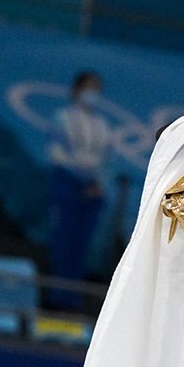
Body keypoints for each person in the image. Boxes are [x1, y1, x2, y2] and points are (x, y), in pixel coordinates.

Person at [44, 70, 113, 312]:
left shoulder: (103, 126)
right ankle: (57, 298)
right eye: (88, 87)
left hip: (92, 191)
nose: (92, 93)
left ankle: (72, 299)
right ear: (76, 90)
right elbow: (56, 154)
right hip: (68, 184)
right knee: (64, 241)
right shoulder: (62, 118)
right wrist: (80, 177)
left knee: (82, 246)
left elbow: (106, 162)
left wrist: (98, 184)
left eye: (96, 88)